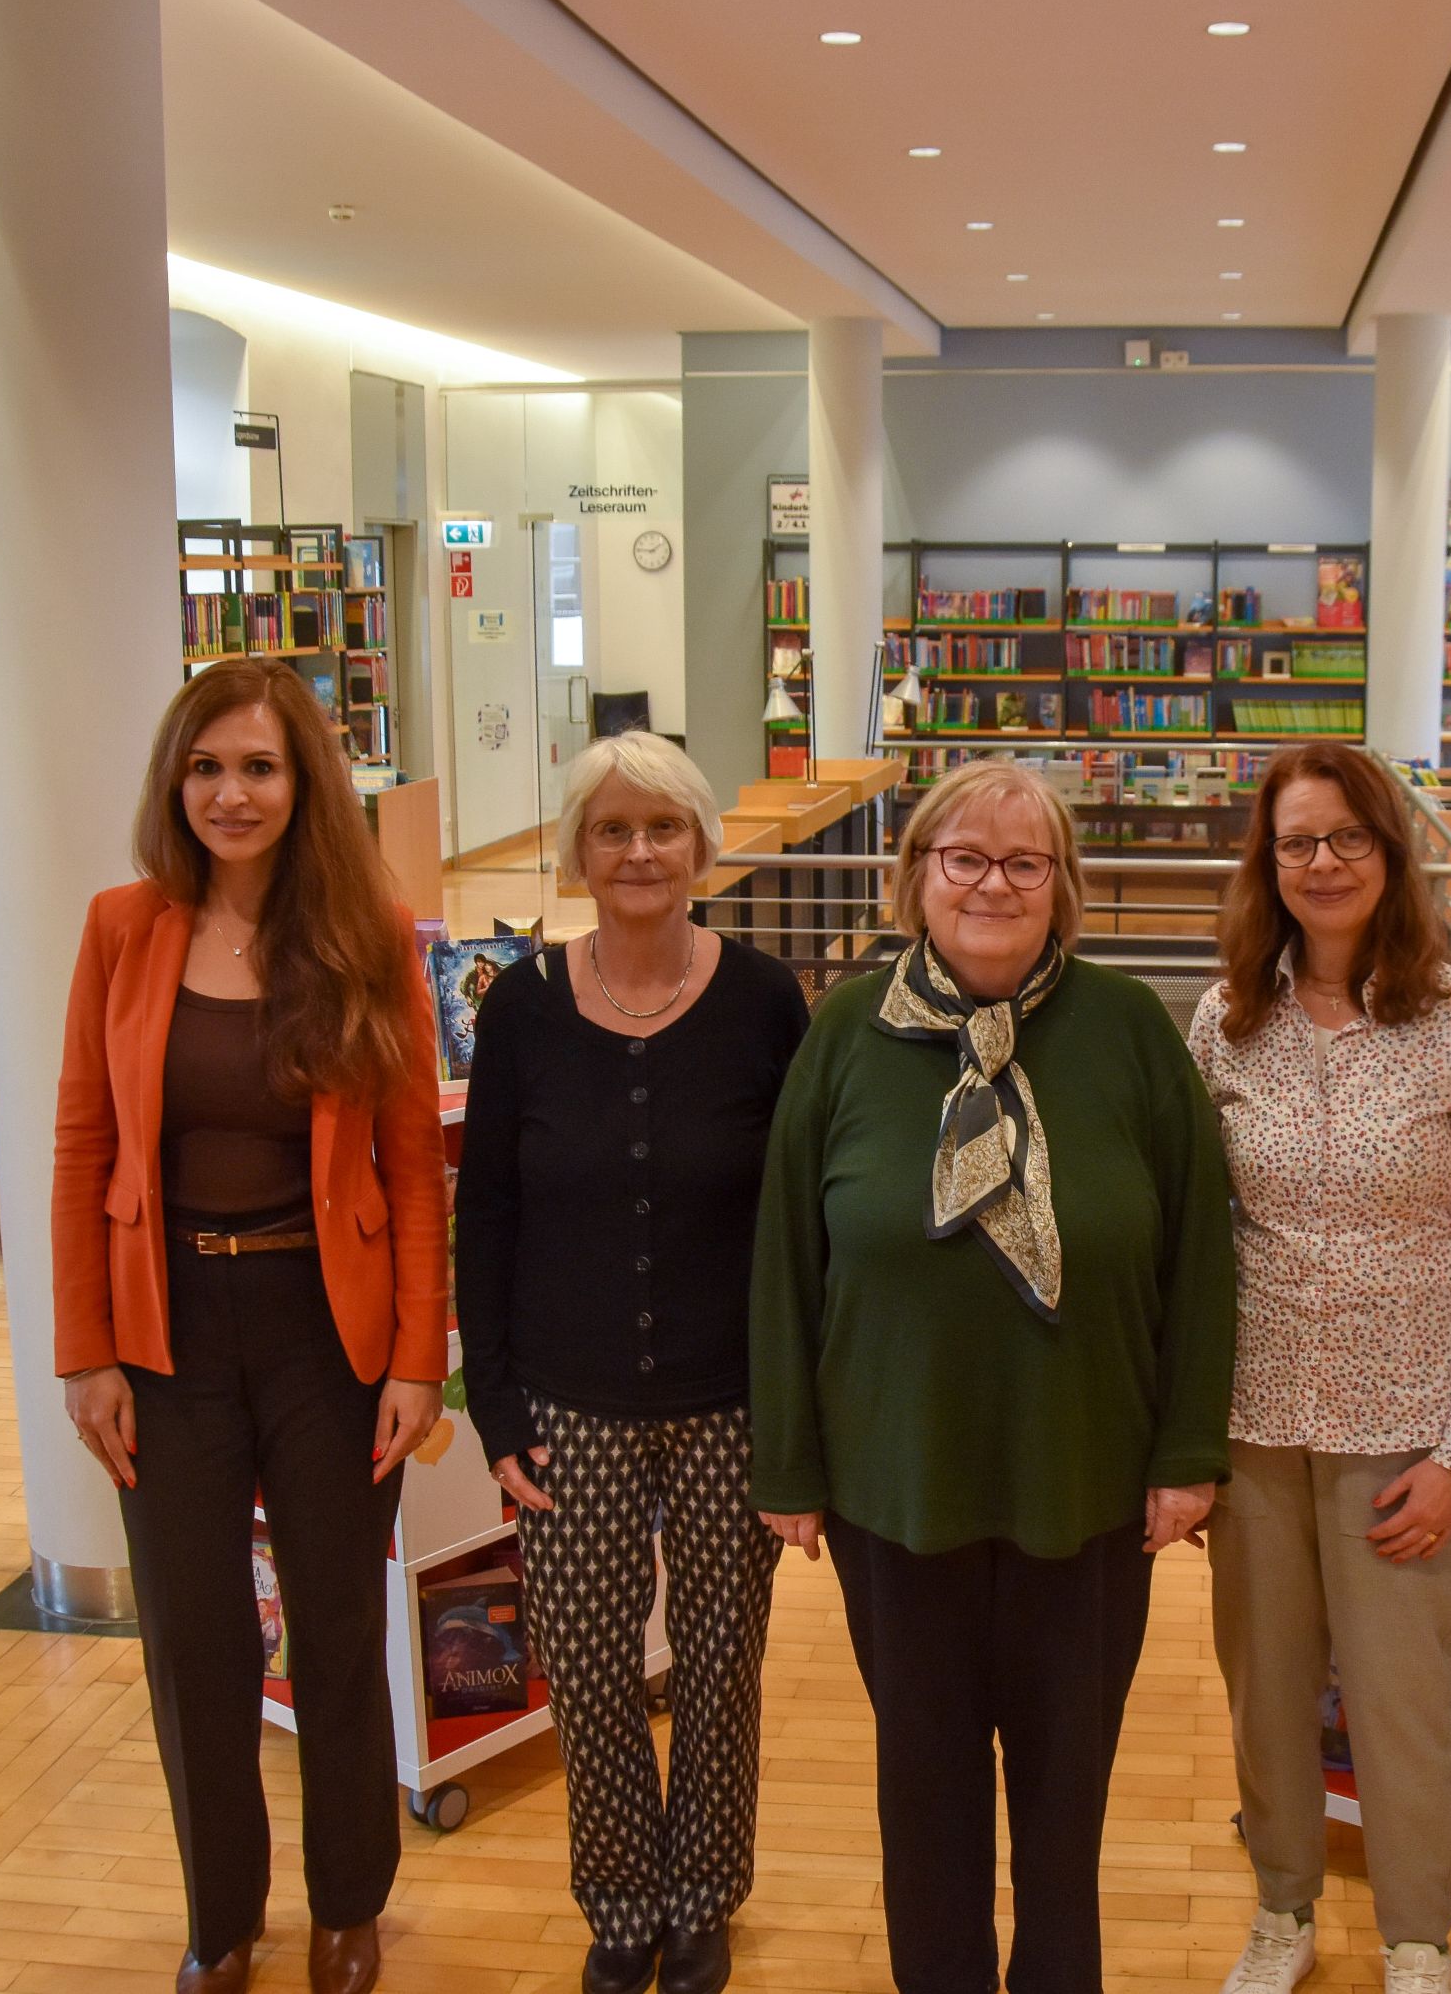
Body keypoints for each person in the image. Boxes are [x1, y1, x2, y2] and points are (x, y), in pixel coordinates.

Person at [750, 758, 1238, 1994]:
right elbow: (785, 1261)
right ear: (915, 876)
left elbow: (1198, 1253)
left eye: (1026, 862)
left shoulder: (1128, 1028)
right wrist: (790, 1464)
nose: (992, 883)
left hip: (1086, 1487)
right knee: (925, 1798)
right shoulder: (845, 1033)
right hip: (892, 1491)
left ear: (1063, 890)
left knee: (1065, 1809)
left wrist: (1188, 1455)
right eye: (962, 856)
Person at [53, 658, 449, 1994]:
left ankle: (349, 1905)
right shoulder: (123, 927)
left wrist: (415, 1360)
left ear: (306, 784)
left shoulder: (367, 933)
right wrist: (83, 1348)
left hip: (324, 1330)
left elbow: (409, 1168)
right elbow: (80, 1143)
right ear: (178, 779)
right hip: (164, 1329)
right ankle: (223, 1914)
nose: (232, 791)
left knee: (336, 1627)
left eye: (261, 767)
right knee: (194, 1636)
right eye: (208, 765)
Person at [1188, 743, 1451, 1994]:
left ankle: (1415, 1940)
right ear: (1266, 865)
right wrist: (1185, 1449)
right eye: (1296, 843)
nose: (1322, 862)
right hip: (1254, 1428)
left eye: (1347, 838)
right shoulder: (1225, 1021)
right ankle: (1282, 1909)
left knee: (1399, 1708)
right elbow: (1192, 1244)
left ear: (1390, 856)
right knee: (1266, 1697)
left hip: (1410, 1437)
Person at [457, 731, 810, 1994]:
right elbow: (485, 1211)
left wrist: (801, 1409)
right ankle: (617, 1903)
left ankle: (704, 1895)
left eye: (662, 827)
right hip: (565, 1407)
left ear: (702, 844)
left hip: (731, 1405)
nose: (640, 851)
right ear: (576, 852)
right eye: (612, 829)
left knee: (721, 1665)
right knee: (595, 1671)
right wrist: (493, 1404)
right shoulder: (524, 1006)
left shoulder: (768, 1001)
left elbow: (802, 1218)